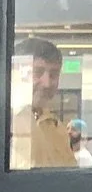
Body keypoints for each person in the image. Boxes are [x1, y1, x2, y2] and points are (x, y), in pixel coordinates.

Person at [9, 37, 75, 170]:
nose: (47, 83)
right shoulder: (7, 121)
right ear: (15, 73)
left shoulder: (57, 128)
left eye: (54, 74)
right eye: (37, 72)